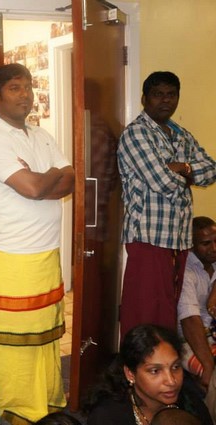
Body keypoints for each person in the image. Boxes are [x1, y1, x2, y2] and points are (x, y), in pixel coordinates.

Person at [0, 63, 73, 424]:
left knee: (43, 335)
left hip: (46, 252)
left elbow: (71, 179)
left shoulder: (41, 135)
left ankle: (43, 399)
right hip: (12, 256)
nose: (25, 94)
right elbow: (31, 188)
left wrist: (43, 179)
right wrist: (49, 176)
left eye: (28, 87)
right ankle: (7, 406)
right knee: (12, 339)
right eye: (15, 88)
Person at [118, 71, 216, 338]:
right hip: (149, 238)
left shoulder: (180, 134)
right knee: (145, 312)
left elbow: (211, 170)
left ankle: (164, 363)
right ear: (144, 99)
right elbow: (162, 182)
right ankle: (137, 362)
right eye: (158, 94)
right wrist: (184, 173)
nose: (165, 100)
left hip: (179, 239)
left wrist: (183, 168)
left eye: (171, 95)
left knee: (168, 311)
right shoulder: (136, 134)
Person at [84, 324, 211, 425]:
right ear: (130, 374)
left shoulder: (192, 406)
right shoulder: (107, 418)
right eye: (155, 371)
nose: (171, 381)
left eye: (175, 367)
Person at [177, 217, 216, 387]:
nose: (214, 248)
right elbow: (190, 320)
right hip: (190, 342)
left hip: (213, 335)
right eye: (206, 243)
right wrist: (208, 365)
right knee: (214, 376)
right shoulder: (186, 272)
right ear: (191, 245)